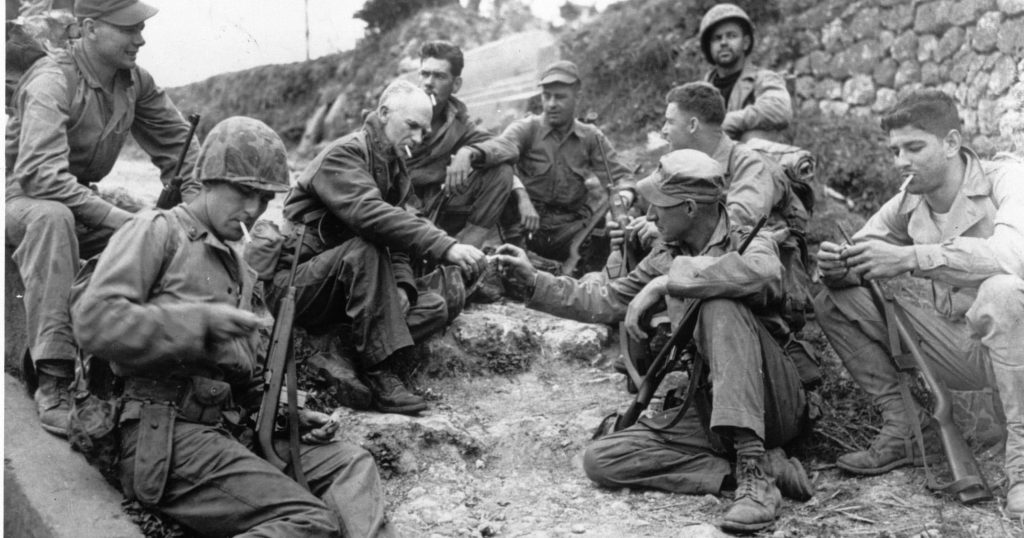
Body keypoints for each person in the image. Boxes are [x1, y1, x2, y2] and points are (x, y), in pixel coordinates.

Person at [71, 116, 395, 537]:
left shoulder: (240, 266)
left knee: (350, 465)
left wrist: (283, 412)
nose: (253, 210)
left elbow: (242, 374)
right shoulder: (158, 231)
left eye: (263, 198)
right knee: (310, 523)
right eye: (243, 192)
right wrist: (199, 324)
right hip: (165, 433)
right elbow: (94, 321)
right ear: (208, 180)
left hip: (228, 429)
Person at [494, 149, 813, 533]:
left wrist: (669, 282)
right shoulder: (667, 253)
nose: (651, 215)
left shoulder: (748, 238)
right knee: (603, 460)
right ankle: (752, 467)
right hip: (711, 403)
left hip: (773, 400)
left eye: (660, 205)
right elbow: (607, 299)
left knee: (720, 305)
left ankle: (755, 475)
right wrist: (533, 281)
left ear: (691, 208)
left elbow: (764, 273)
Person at [815, 90, 1024, 517]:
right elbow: (860, 255)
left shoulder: (1007, 180)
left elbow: (1011, 256)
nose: (900, 161)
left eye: (913, 147)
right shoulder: (908, 201)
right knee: (836, 298)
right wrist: (837, 264)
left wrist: (911, 257)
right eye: (894, 150)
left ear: (950, 143)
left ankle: (1022, 469)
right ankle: (908, 430)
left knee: (1000, 292)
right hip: (965, 347)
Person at [6, 0, 199, 436]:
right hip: (24, 199)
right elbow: (41, 178)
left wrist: (193, 217)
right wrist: (121, 220)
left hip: (80, 201)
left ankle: (139, 369)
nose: (141, 38)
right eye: (128, 28)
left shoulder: (134, 83)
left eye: (141, 27)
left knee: (160, 233)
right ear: (90, 28)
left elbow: (180, 149)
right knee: (53, 221)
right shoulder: (52, 80)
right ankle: (52, 381)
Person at [270, 79, 485, 415]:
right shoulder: (344, 154)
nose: (416, 139)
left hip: (348, 288)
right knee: (364, 250)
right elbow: (372, 217)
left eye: (423, 132)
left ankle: (344, 347)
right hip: (299, 286)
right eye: (411, 126)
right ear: (384, 113)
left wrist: (401, 285)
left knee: (434, 306)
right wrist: (444, 245)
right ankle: (378, 374)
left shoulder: (393, 169)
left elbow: (396, 240)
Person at [471, 59, 636, 263]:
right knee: (507, 261)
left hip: (568, 228)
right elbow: (498, 155)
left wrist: (621, 205)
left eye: (560, 97)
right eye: (546, 96)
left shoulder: (590, 136)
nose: (551, 104)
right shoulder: (526, 129)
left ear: (577, 98)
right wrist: (522, 197)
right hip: (526, 225)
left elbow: (619, 178)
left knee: (614, 239)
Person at [406, 40, 515, 249]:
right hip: (397, 206)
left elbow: (508, 147)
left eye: (439, 76)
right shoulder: (398, 112)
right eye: (425, 74)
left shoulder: (458, 123)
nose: (429, 82)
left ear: (456, 85)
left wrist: (469, 152)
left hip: (435, 205)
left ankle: (465, 256)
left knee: (501, 171)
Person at [697, 3, 792, 142]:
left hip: (751, 160)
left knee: (754, 138)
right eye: (717, 38)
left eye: (731, 36)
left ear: (746, 42)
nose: (723, 42)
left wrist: (728, 121)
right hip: (711, 159)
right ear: (709, 47)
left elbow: (779, 110)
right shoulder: (701, 89)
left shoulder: (764, 78)